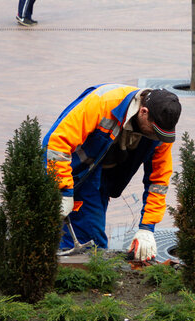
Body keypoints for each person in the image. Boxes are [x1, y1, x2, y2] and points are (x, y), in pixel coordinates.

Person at [43, 85, 182, 261]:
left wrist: (147, 228)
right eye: (154, 132)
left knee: (83, 233)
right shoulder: (103, 104)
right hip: (66, 165)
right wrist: (64, 189)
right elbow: (56, 144)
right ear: (144, 112)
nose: (157, 138)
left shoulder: (162, 130)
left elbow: (158, 182)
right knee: (89, 239)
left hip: (101, 173)